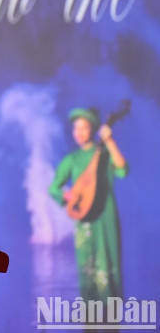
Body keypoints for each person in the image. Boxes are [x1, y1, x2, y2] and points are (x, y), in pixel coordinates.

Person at [48, 108, 128, 302]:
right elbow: (54, 188)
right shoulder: (72, 159)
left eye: (84, 127)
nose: (79, 132)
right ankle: (89, 315)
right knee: (87, 269)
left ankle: (111, 315)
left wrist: (109, 141)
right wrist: (67, 195)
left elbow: (123, 170)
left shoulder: (105, 154)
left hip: (106, 218)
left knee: (109, 264)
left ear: (93, 129)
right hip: (84, 221)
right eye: (76, 128)